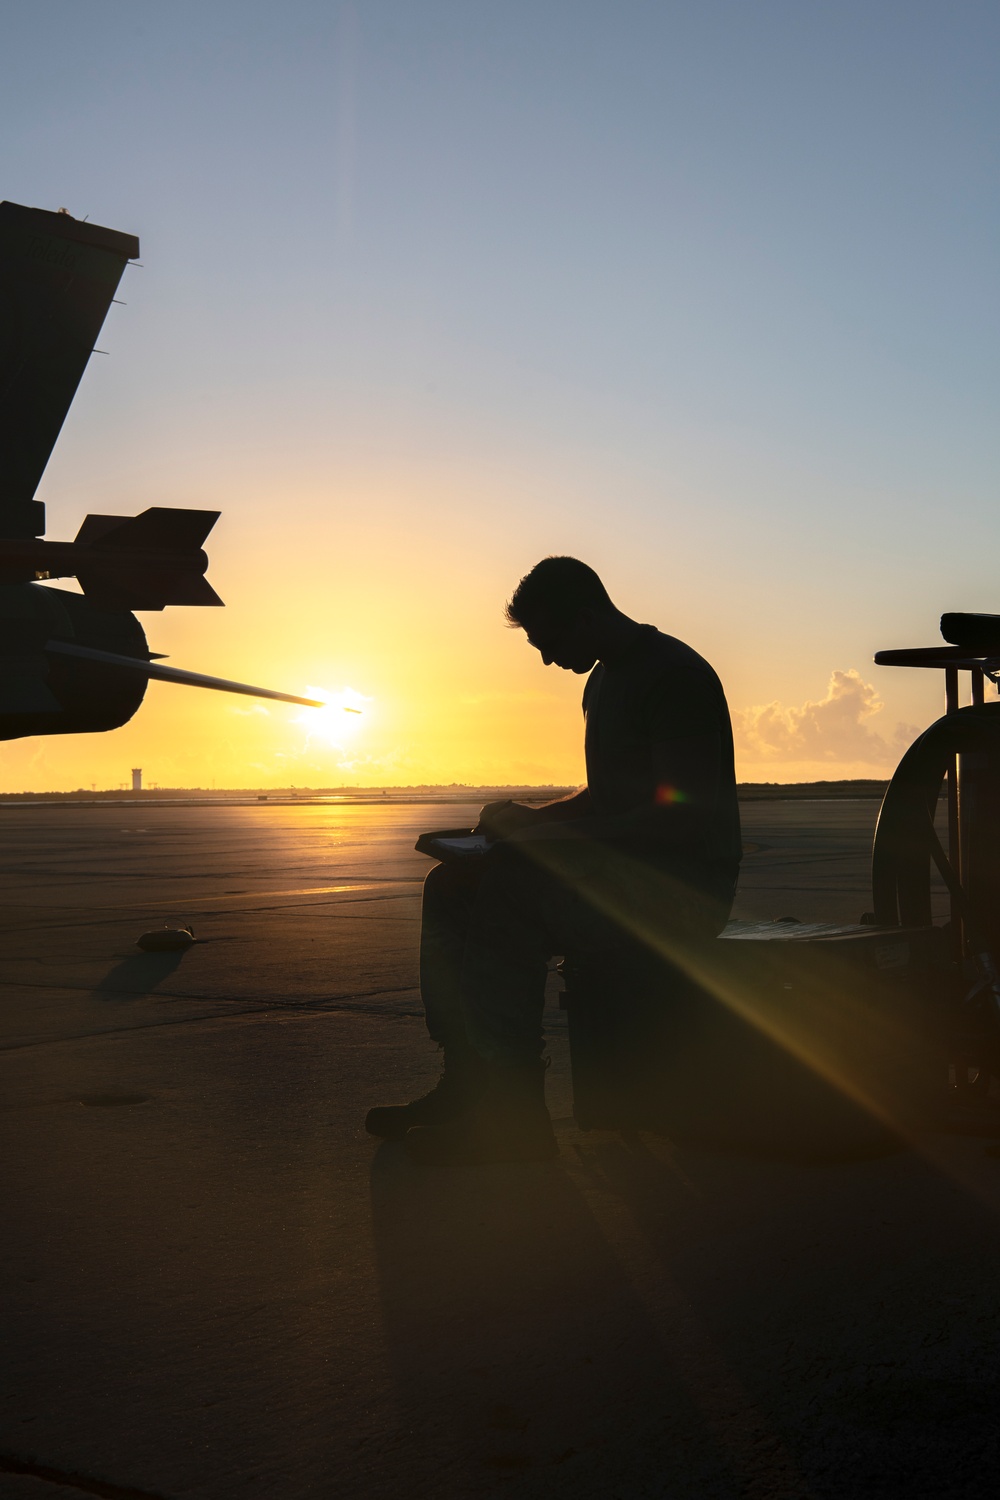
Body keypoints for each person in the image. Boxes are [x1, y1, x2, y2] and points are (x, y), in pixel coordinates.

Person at [366, 556, 741, 1165]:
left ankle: (514, 1120)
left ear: (586, 616)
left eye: (549, 642)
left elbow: (682, 816)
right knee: (450, 886)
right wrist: (532, 820)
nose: (546, 660)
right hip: (627, 873)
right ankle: (467, 1082)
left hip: (684, 888)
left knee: (510, 893)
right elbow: (610, 796)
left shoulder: (675, 676)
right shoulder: (605, 679)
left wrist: (545, 845)